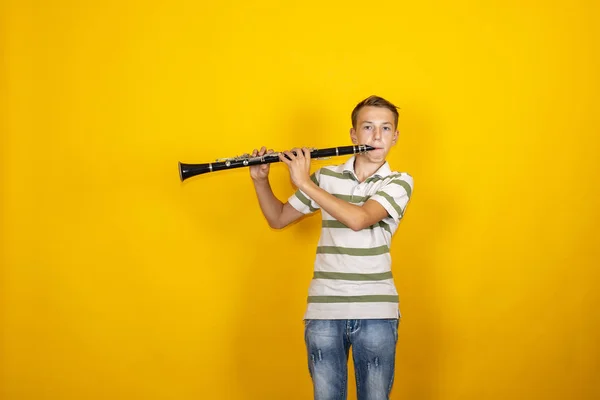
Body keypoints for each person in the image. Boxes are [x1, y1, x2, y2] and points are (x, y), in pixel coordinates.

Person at [249, 95, 414, 400]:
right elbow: (278, 218)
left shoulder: (399, 181)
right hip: (324, 311)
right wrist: (261, 181)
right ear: (353, 134)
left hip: (376, 311)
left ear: (395, 136)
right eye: (368, 127)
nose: (376, 137)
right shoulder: (326, 177)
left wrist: (305, 183)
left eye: (385, 129)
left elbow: (360, 218)